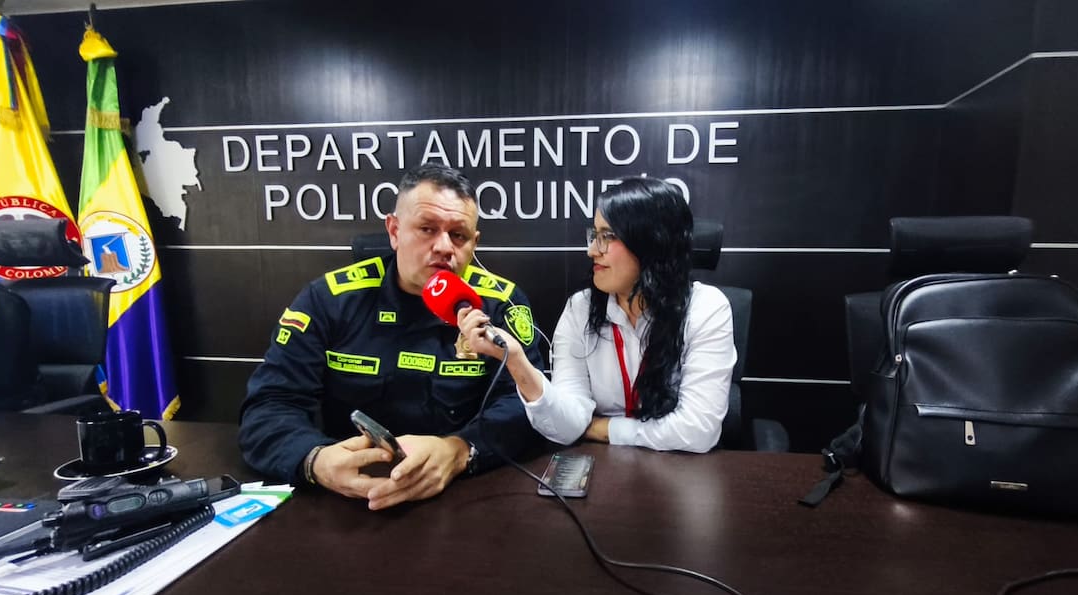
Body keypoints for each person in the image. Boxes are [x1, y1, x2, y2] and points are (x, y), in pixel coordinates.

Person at [239, 164, 545, 509]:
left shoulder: (501, 303)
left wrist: (460, 450)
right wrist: (315, 460)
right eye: (427, 229)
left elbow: (526, 406)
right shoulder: (329, 300)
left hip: (461, 495)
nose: (444, 246)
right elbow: (270, 405)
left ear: (474, 243)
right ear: (394, 231)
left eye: (458, 235)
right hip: (348, 497)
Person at [457, 177, 735, 453]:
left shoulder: (706, 308)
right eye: (595, 235)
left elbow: (697, 431)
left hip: (683, 469)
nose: (592, 251)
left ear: (651, 242)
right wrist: (516, 361)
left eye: (608, 237)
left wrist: (601, 428)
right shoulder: (580, 309)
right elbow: (567, 427)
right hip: (605, 466)